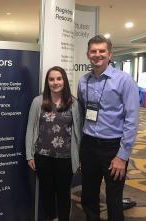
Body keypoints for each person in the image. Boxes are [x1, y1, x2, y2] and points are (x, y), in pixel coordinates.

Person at [77, 35, 139, 221]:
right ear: (88, 54)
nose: (97, 55)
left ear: (110, 54)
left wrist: (122, 156)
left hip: (113, 147)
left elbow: (132, 119)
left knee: (113, 198)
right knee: (88, 194)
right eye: (93, 51)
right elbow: (83, 111)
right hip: (88, 144)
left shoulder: (124, 80)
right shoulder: (83, 81)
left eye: (102, 51)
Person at [26, 66, 83, 221]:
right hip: (42, 156)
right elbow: (30, 128)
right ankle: (51, 218)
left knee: (64, 193)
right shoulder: (38, 102)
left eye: (59, 78)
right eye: (51, 79)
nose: (55, 82)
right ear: (47, 82)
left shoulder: (74, 103)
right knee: (47, 192)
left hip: (65, 158)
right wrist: (29, 155)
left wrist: (79, 157)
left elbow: (79, 133)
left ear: (64, 80)